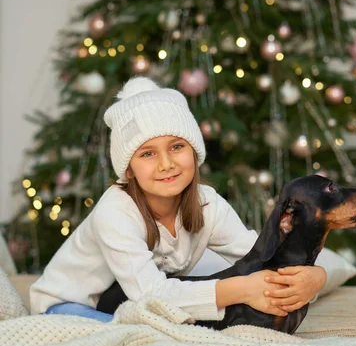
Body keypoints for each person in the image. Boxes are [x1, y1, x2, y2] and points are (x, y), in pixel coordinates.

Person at [30, 77, 328, 324]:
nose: (166, 164)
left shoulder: (206, 204)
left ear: (194, 153)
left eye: (176, 146)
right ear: (129, 170)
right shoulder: (116, 212)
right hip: (69, 307)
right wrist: (240, 289)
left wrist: (315, 278)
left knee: (163, 323)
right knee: (152, 333)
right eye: (147, 153)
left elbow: (262, 254)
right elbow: (151, 295)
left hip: (123, 300)